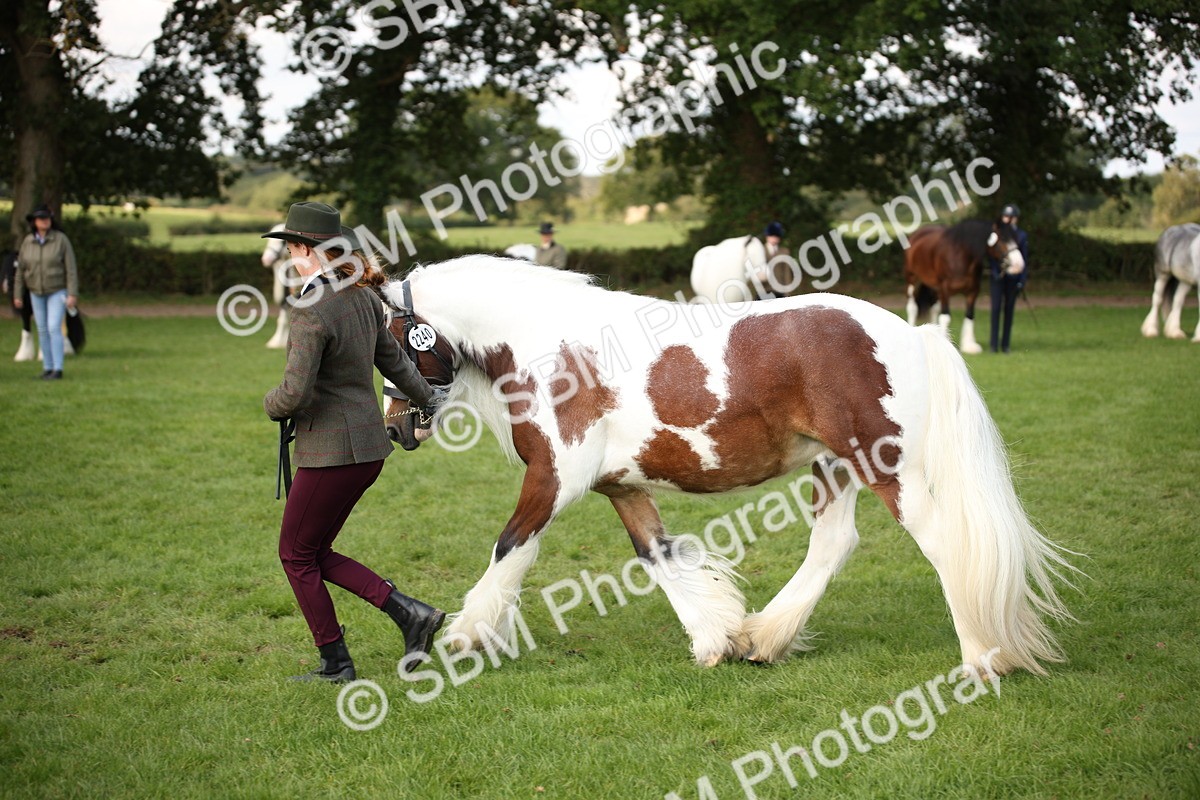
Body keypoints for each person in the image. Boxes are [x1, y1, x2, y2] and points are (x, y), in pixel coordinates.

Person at [262, 201, 450, 683]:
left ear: (306, 250)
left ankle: (336, 662)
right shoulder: (362, 297)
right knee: (314, 551)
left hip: (331, 453)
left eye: (292, 249)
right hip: (368, 452)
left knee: (295, 555)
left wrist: (271, 405)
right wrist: (429, 400)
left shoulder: (311, 308)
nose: (291, 257)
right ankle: (410, 614)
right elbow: (396, 363)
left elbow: (295, 392)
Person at [14, 205, 77, 379]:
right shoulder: (28, 242)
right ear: (34, 222)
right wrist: (18, 294)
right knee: (42, 329)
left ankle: (58, 368)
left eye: (47, 218)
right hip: (36, 291)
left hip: (57, 290)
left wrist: (72, 293)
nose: (45, 221)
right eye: (41, 218)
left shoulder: (61, 240)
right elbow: (21, 270)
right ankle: (47, 367)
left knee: (53, 327)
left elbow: (70, 268)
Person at [989, 203, 1030, 353]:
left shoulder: (1021, 236)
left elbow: (1025, 259)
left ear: (1015, 219)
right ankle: (993, 345)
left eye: (1010, 217)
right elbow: (991, 255)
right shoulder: (996, 234)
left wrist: (1022, 280)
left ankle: (1005, 344)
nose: (1007, 219)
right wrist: (995, 272)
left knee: (1009, 310)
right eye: (1005, 216)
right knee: (995, 309)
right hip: (998, 277)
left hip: (1013, 278)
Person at [759, 221, 793, 299]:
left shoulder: (784, 251)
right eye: (772, 236)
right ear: (767, 236)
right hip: (764, 290)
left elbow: (786, 272)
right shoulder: (760, 251)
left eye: (776, 236)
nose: (774, 239)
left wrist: (787, 292)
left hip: (780, 290)